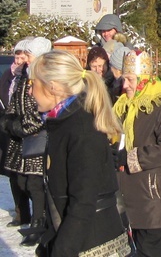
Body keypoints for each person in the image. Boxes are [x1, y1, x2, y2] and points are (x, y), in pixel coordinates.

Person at [28, 50, 130, 256]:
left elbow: (83, 201)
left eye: (33, 84)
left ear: (52, 86)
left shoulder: (81, 128)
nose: (29, 92)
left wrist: (63, 249)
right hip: (76, 237)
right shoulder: (62, 122)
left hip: (92, 243)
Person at [113, 50, 161, 256]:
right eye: (124, 79)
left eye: (129, 80)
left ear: (144, 81)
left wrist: (129, 158)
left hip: (157, 201)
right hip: (134, 197)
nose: (124, 85)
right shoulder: (125, 105)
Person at [0, 37, 52, 247]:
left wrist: (23, 127)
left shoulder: (44, 77)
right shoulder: (24, 77)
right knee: (21, 180)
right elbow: (14, 104)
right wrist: (9, 121)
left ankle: (41, 222)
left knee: (35, 183)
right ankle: (33, 216)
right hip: (20, 139)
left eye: (29, 55)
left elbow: (42, 111)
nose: (25, 59)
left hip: (37, 138)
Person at [0, 38, 31, 230]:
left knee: (29, 174)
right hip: (9, 129)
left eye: (22, 56)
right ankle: (21, 213)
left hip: (27, 129)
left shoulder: (29, 75)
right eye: (17, 56)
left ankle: (38, 213)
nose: (19, 60)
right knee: (13, 173)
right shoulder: (8, 75)